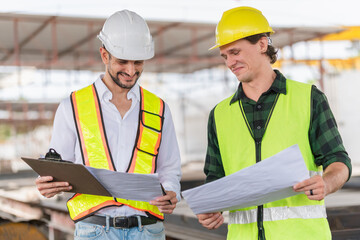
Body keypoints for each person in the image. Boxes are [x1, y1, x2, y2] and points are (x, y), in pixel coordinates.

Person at [196, 6, 352, 240]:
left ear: (261, 44)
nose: (230, 62)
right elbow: (215, 179)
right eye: (225, 55)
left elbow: (338, 161)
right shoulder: (219, 114)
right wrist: (211, 208)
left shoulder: (309, 99)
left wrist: (326, 183)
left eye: (235, 52)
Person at [35, 10, 181, 240]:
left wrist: (172, 192)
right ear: (105, 55)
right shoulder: (72, 107)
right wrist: (47, 185)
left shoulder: (159, 109)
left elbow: (169, 169)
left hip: (148, 230)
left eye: (138, 62)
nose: (131, 71)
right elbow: (58, 168)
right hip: (94, 231)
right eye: (123, 61)